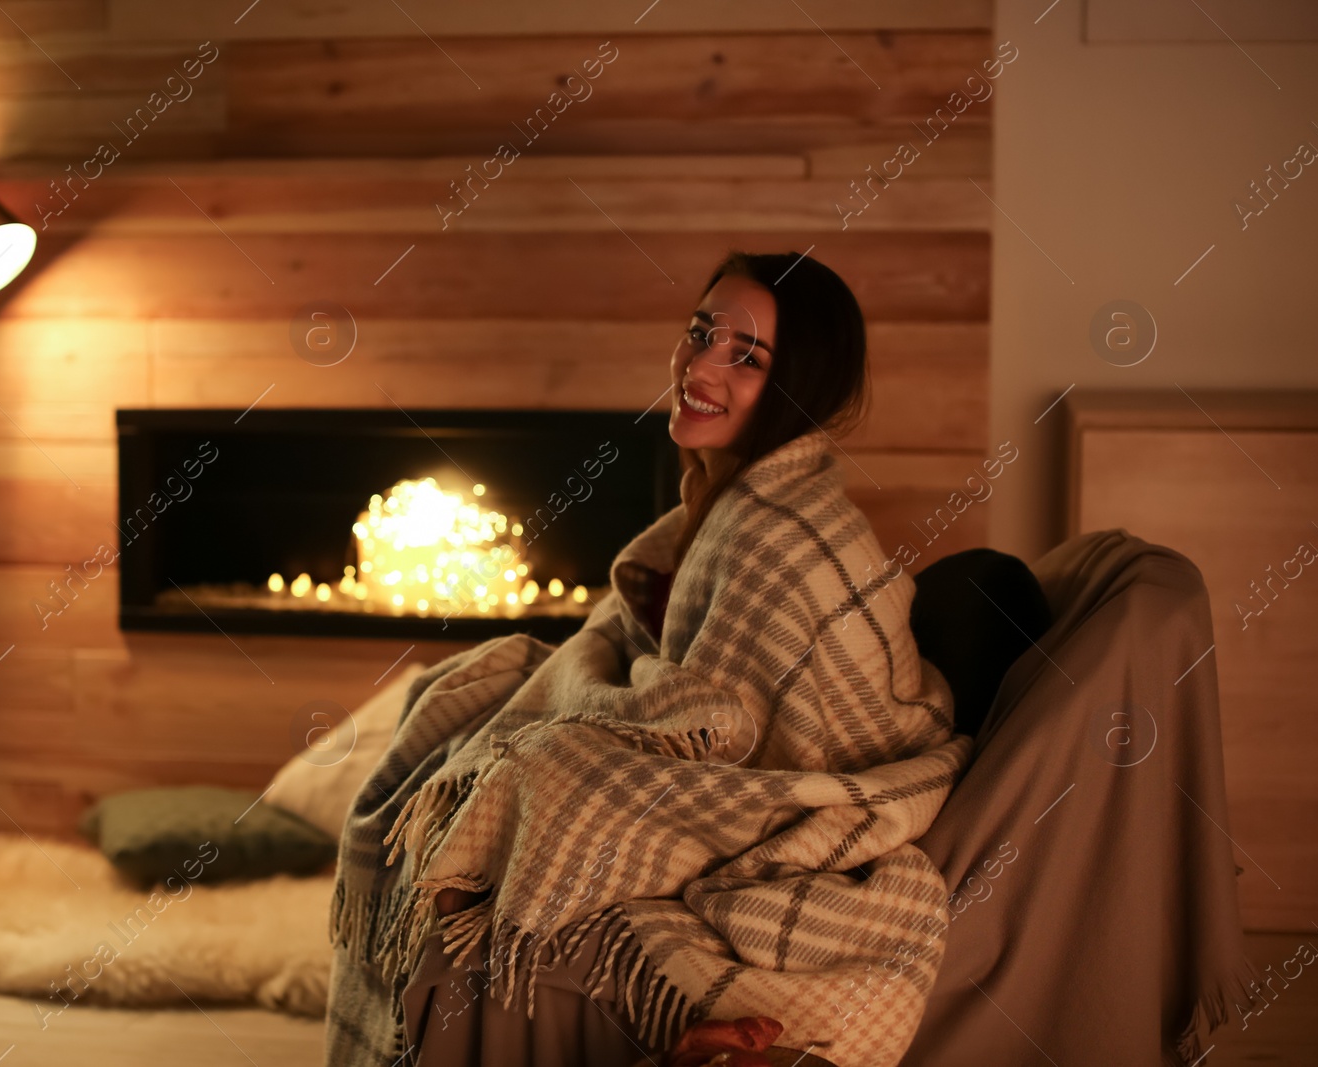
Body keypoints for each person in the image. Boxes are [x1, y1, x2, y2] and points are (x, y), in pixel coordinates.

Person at [327, 251, 973, 1067]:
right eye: (701, 333)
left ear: (796, 387)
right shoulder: (727, 494)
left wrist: (581, 726)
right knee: (468, 693)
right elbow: (655, 650)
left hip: (815, 784)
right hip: (743, 749)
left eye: (746, 356)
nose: (700, 365)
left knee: (542, 768)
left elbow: (719, 723)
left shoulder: (784, 531)